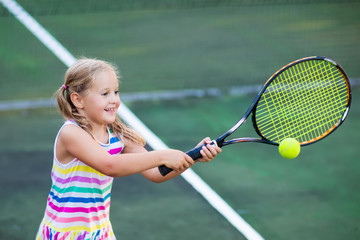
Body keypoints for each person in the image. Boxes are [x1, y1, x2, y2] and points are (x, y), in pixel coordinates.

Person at [36, 58, 222, 239]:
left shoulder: (117, 134)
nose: (114, 100)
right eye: (105, 94)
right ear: (78, 100)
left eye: (116, 92)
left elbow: (157, 173)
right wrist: (163, 155)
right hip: (64, 234)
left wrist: (194, 156)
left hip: (100, 232)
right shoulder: (71, 133)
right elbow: (110, 166)